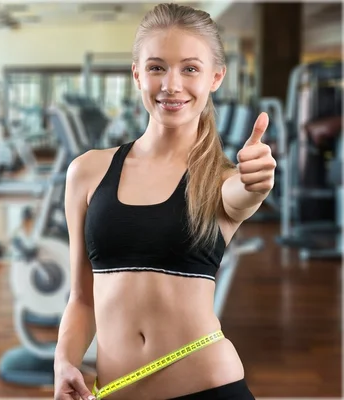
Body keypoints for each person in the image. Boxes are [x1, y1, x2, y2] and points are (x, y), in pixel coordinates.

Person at [53, 3, 276, 400]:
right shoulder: (86, 172)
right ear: (137, 73)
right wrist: (65, 360)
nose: (171, 85)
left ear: (215, 78)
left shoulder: (221, 179)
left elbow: (241, 195)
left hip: (210, 388)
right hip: (115, 391)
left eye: (190, 68)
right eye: (157, 67)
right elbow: (82, 297)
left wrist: (256, 181)